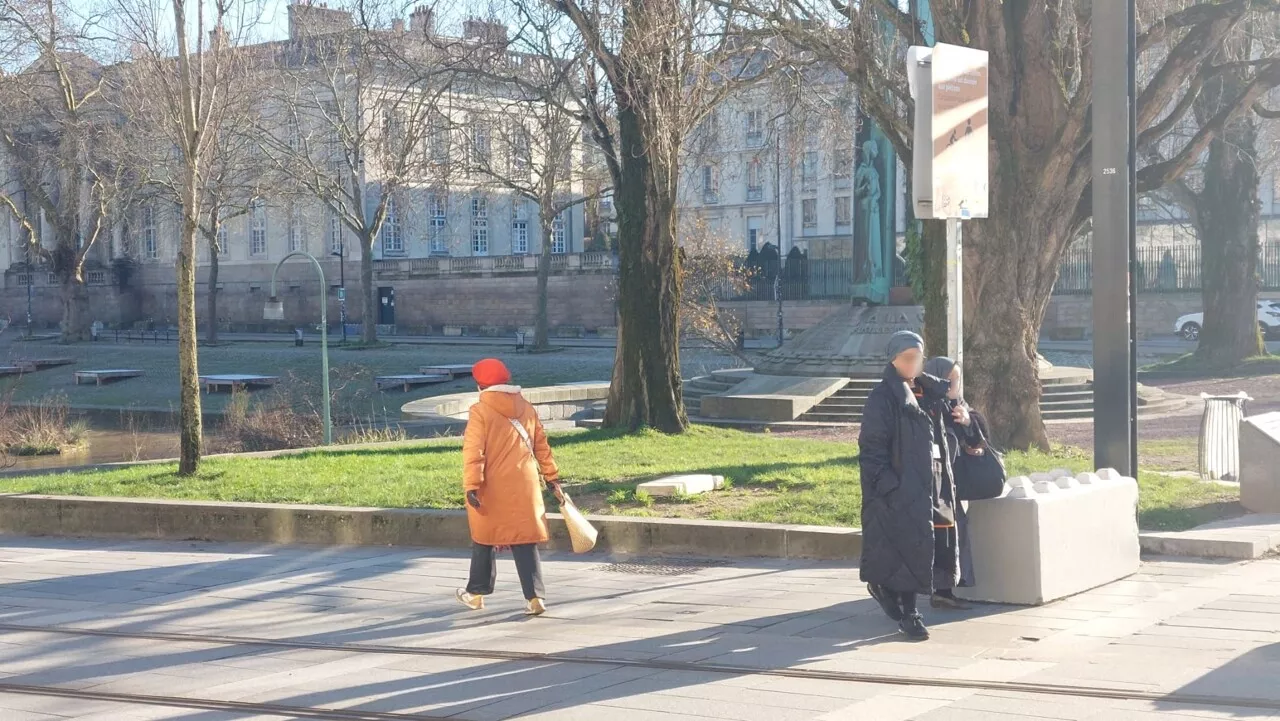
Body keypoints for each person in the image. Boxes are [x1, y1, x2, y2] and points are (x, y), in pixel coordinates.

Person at [858, 331, 958, 641]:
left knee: (924, 544)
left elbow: (941, 436)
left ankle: (900, 598)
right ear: (893, 359)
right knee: (903, 545)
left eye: (918, 357)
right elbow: (871, 449)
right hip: (899, 487)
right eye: (907, 358)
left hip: (932, 482)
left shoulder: (931, 391)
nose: (914, 364)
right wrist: (890, 485)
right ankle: (909, 613)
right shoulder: (883, 397)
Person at [456, 358, 561, 616]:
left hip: (492, 484)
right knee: (524, 538)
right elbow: (541, 446)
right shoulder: (525, 407)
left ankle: (476, 593)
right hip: (525, 481)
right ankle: (535, 597)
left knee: (484, 537)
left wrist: (472, 484)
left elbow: (474, 451)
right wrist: (551, 477)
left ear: (480, 384)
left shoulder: (480, 411)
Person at [923, 356, 985, 610]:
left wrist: (968, 424)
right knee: (936, 534)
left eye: (957, 379)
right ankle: (929, 588)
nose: (954, 385)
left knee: (953, 532)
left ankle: (946, 589)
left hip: (951, 485)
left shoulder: (958, 406)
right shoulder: (926, 404)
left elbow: (978, 443)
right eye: (950, 379)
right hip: (930, 484)